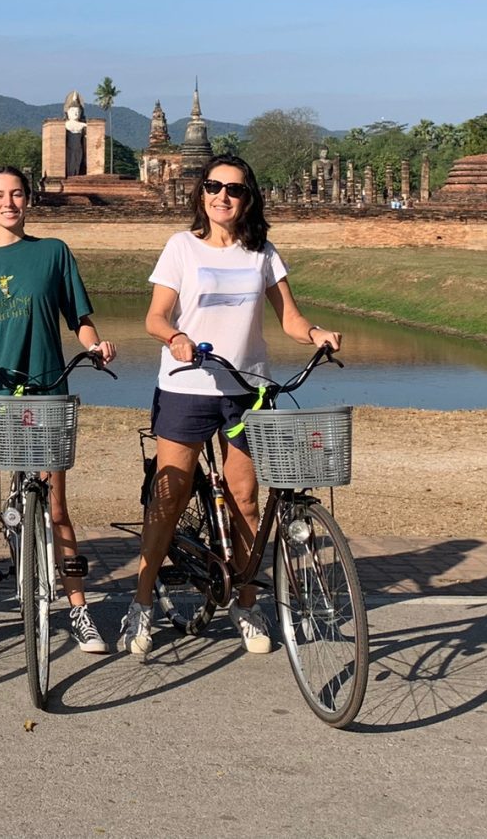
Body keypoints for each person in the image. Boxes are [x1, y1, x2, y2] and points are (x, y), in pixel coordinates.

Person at [124, 154, 343, 658]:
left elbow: (290, 318)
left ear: (248, 198)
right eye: (214, 186)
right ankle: (142, 602)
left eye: (234, 189)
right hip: (187, 386)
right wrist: (176, 337)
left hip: (247, 389)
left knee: (246, 498)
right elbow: (156, 317)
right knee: (170, 496)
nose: (223, 196)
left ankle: (246, 602)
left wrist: (315, 333)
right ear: (201, 192)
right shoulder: (181, 247)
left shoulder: (261, 252)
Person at [0, 165, 117, 658]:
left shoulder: (53, 253)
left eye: (16, 194)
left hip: (45, 390)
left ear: (28, 200)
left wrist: (95, 345)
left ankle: (78, 609)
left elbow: (79, 319)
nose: (8, 203)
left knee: (57, 509)